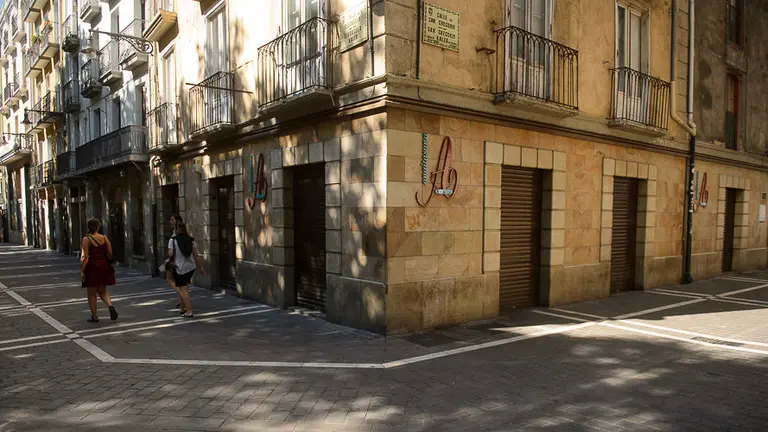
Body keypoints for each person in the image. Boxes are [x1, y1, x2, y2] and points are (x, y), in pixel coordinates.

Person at [80, 218, 118, 323]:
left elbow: (85, 257)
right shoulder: (104, 238)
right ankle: (110, 306)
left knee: (92, 293)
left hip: (92, 267)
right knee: (102, 290)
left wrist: (82, 271)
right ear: (98, 227)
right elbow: (110, 253)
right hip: (104, 266)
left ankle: (94, 316)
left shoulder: (86, 239)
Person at [169, 222, 205, 318]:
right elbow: (196, 255)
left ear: (177, 230)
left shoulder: (173, 240)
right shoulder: (191, 240)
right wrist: (201, 267)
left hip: (180, 268)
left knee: (183, 289)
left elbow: (170, 254)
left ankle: (189, 311)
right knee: (184, 288)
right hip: (191, 267)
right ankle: (183, 308)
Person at [164, 214, 184, 310]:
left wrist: (169, 258)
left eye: (172, 219)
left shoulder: (176, 231)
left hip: (175, 259)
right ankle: (182, 300)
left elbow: (175, 247)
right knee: (180, 281)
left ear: (176, 220)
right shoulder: (180, 230)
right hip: (181, 259)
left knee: (169, 278)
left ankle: (183, 295)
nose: (170, 221)